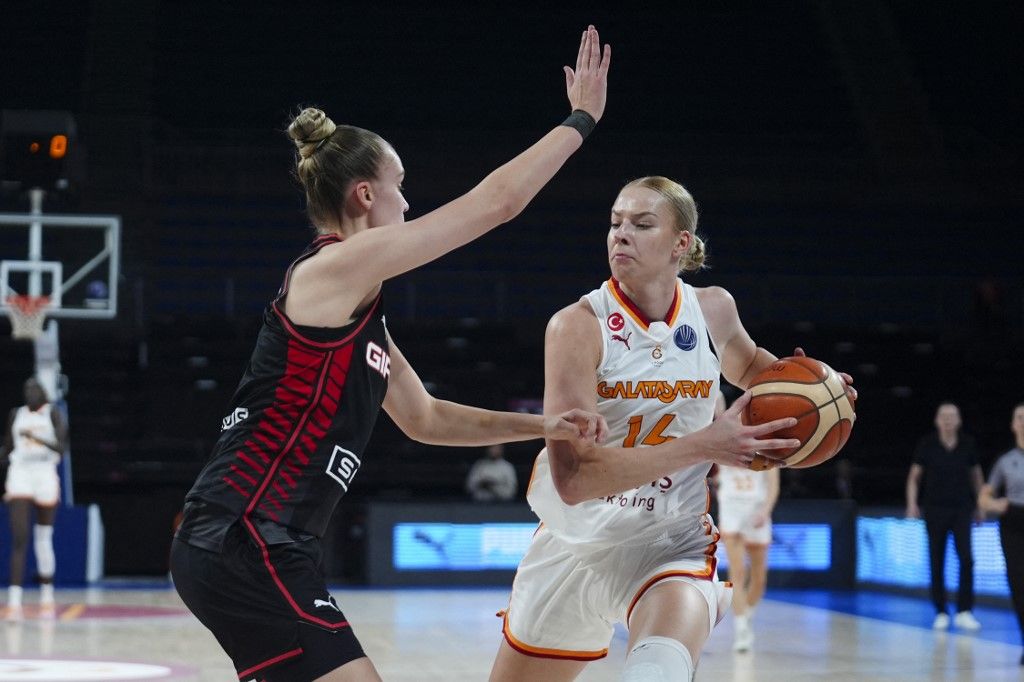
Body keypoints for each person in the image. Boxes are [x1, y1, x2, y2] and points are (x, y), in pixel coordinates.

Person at [170, 26, 611, 682]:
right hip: (245, 535)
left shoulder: (361, 312)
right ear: (365, 197)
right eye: (401, 186)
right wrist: (582, 118)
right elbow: (498, 203)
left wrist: (542, 427)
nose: (411, 202)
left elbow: (427, 419)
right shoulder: (330, 271)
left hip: (257, 543)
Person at [488, 175, 855, 682]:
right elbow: (573, 481)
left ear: (681, 243)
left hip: (671, 542)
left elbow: (754, 371)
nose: (621, 234)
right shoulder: (576, 327)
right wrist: (701, 446)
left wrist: (821, 393)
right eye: (615, 223)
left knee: (656, 673)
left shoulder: (714, 311)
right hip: (577, 545)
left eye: (641, 224)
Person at [905, 402, 984, 631]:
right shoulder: (927, 444)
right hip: (934, 509)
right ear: (937, 420)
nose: (948, 420)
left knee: (967, 559)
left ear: (959, 420)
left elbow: (976, 477)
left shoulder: (968, 444)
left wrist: (980, 504)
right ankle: (940, 611)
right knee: (936, 559)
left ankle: (964, 611)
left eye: (952, 416)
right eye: (944, 416)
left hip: (962, 509)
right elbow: (914, 477)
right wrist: (912, 503)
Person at [713, 392, 780, 653]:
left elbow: (773, 484)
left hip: (757, 511)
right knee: (737, 573)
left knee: (759, 578)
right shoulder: (723, 440)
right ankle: (741, 627)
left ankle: (747, 614)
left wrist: (765, 509)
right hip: (732, 510)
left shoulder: (765, 444)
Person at [0, 377, 69, 621]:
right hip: (21, 474)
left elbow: (62, 448)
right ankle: (15, 600)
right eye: (26, 389)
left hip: (44, 474)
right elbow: (8, 447)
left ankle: (47, 595)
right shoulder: (16, 414)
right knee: (19, 538)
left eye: (33, 389)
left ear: (41, 392)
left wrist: (36, 438)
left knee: (43, 538)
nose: (29, 392)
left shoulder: (53, 414)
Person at [978, 402, 1024, 665]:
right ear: (1013, 424)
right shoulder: (1006, 461)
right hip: (1014, 522)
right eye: (1019, 417)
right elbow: (985, 496)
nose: (1023, 421)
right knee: (1019, 585)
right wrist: (995, 505)